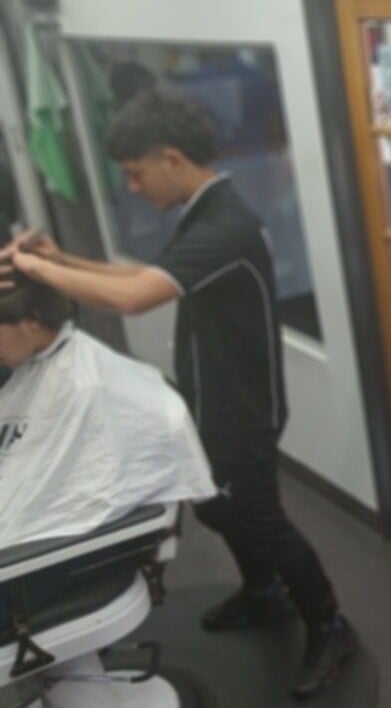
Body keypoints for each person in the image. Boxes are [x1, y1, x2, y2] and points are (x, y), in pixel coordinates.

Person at [1, 89, 354, 699]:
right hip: (207, 396)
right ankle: (264, 591)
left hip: (242, 408)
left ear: (170, 158)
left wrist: (36, 272)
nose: (133, 188)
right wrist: (63, 258)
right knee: (216, 506)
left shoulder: (228, 225)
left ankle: (329, 624)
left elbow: (133, 298)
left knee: (261, 520)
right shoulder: (201, 215)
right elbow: (138, 279)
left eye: (135, 174)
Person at [0, 274, 213, 623]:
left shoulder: (88, 386)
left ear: (32, 323)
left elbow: (78, 489)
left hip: (49, 552)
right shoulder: (31, 367)